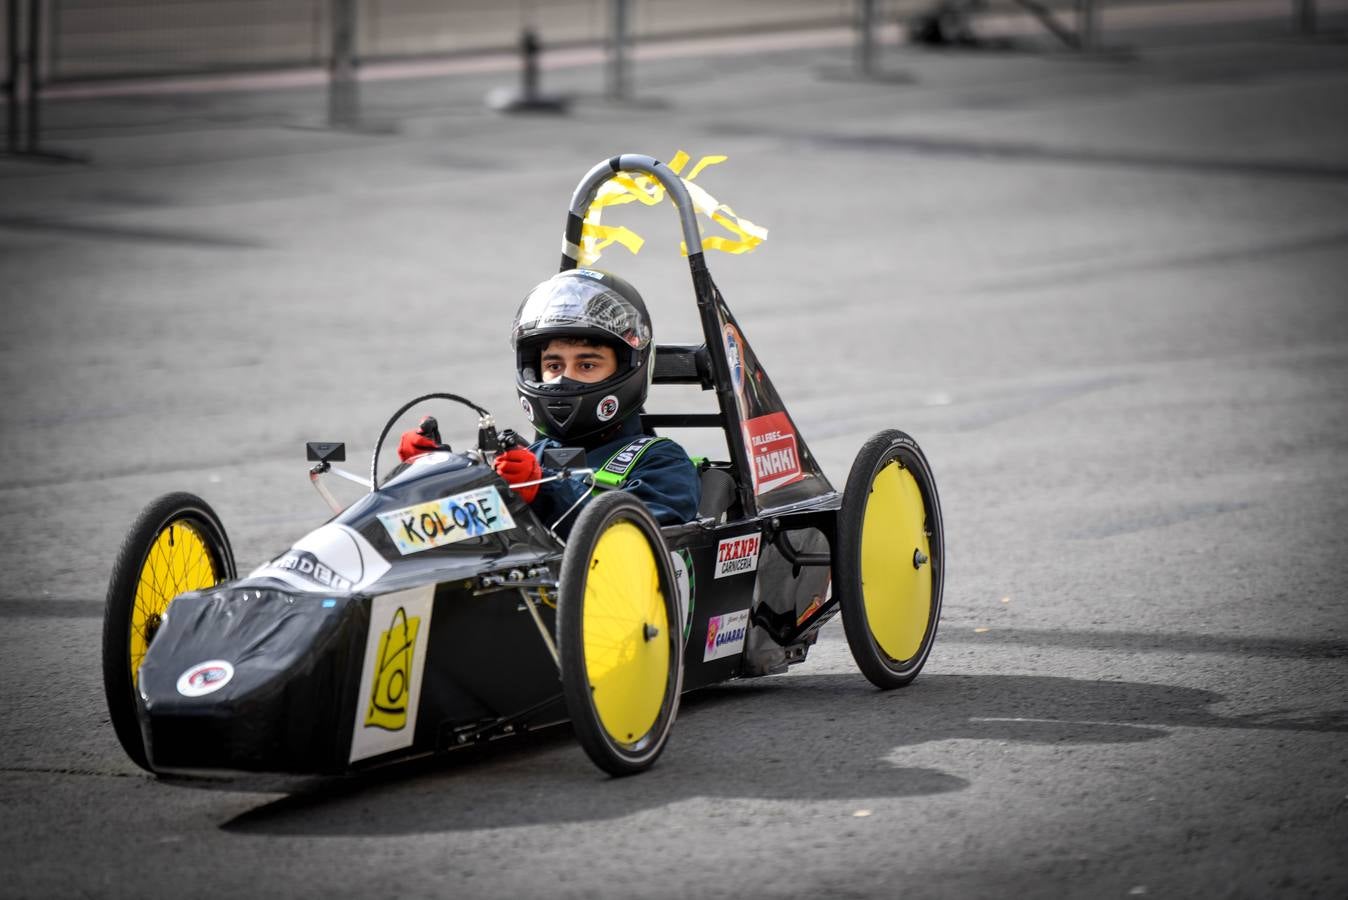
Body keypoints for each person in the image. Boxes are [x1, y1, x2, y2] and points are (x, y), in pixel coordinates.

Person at [399, 268, 700, 533]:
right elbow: (458, 529)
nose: (564, 379)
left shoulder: (662, 462)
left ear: (627, 369)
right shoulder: (527, 456)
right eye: (554, 367)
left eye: (586, 366)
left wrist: (543, 490)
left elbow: (631, 541)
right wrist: (431, 472)